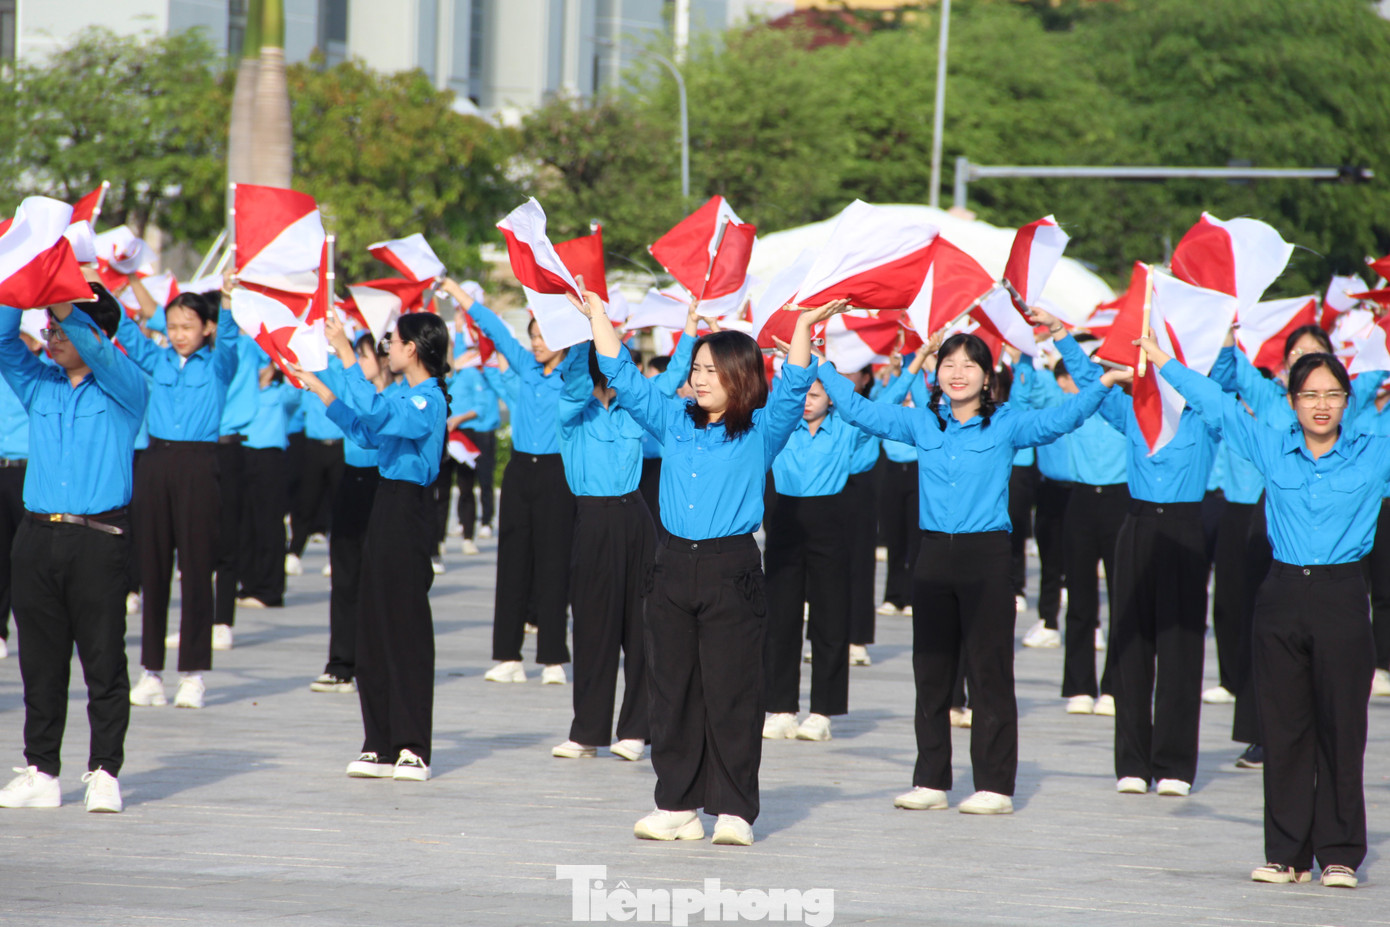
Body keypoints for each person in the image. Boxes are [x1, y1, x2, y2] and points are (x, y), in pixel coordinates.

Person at [819, 308, 1126, 815]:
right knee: (931, 671)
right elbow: (859, 411)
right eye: (948, 364)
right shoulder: (923, 421)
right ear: (937, 373)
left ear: (987, 377)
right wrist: (818, 366)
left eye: (969, 364)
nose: (956, 372)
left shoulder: (1006, 423)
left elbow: (1063, 418)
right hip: (934, 553)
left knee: (989, 672)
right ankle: (931, 780)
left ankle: (995, 786)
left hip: (986, 557)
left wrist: (1098, 383)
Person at [573, 284, 833, 846]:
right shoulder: (673, 419)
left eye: (711, 369)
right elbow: (621, 373)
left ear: (739, 376)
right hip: (669, 567)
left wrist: (804, 325)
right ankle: (677, 805)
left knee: (733, 691)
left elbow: (792, 385)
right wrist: (597, 315)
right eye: (696, 367)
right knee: (672, 691)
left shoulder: (762, 429)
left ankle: (735, 808)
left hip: (731, 570)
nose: (699, 376)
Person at [1139, 333, 1382, 890]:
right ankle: (1287, 854)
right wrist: (1167, 363)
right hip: (1280, 597)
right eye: (1309, 394)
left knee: (1342, 729)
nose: (1321, 404)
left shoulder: (1374, 453)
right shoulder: (1272, 444)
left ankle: (1340, 852)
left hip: (1343, 597)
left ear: (1349, 399)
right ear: (1292, 401)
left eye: (1332, 393)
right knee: (1285, 728)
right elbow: (1220, 406)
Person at [0, 284, 147, 812]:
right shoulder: (42, 386)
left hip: (97, 540)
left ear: (96, 334)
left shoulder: (125, 390)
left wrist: (68, 304)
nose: (52, 335)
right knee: (39, 661)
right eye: (51, 327)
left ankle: (105, 769)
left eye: (62, 328)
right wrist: (19, 281)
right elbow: (2, 336)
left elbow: (105, 355)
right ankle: (41, 768)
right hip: (37, 538)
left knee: (103, 658)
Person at [292, 311, 448, 782]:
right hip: (384, 504)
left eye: (391, 342)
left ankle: (413, 745)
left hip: (410, 511)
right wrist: (325, 391)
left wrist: (343, 354)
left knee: (405, 629)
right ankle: (378, 742)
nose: (386, 350)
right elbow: (366, 430)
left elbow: (380, 413)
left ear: (413, 349)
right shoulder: (402, 393)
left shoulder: (430, 399)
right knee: (373, 625)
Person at [443, 278, 573, 685]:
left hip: (558, 474)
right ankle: (508, 657)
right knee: (512, 563)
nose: (536, 343)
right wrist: (460, 294)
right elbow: (495, 328)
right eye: (533, 336)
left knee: (553, 565)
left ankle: (552, 658)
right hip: (520, 472)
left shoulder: (575, 377)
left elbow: (594, 348)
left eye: (543, 337)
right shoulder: (525, 367)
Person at [120, 287, 240, 710]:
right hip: (156, 460)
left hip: (199, 464)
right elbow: (126, 333)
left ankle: (192, 675)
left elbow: (229, 338)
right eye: (172, 326)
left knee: (196, 566)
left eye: (188, 326)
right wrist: (93, 283)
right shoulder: (159, 359)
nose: (179, 334)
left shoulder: (219, 364)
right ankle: (150, 671)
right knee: (152, 567)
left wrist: (226, 300)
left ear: (206, 328)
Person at [550, 335, 655, 762]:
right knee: (594, 626)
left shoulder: (633, 413)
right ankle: (587, 731)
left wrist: (687, 330)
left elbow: (660, 389)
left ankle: (635, 730)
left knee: (641, 626)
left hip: (636, 517)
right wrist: (580, 338)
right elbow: (575, 383)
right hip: (592, 520)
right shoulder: (571, 413)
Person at [311, 333, 396, 694]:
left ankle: (376, 662)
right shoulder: (352, 386)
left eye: (362, 355)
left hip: (383, 485)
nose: (357, 363)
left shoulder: (398, 397)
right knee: (344, 577)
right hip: (352, 480)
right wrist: (316, 385)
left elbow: (372, 432)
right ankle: (341, 663)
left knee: (378, 580)